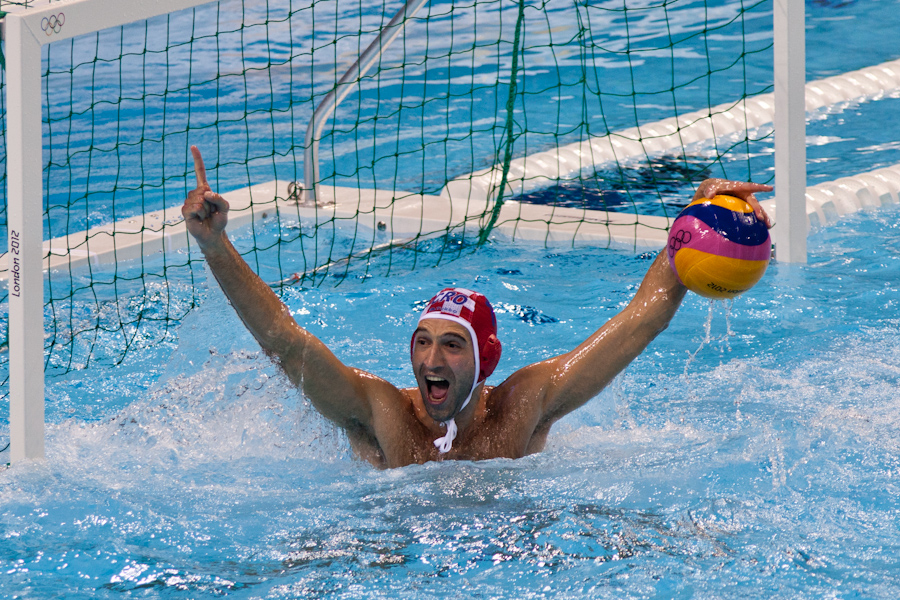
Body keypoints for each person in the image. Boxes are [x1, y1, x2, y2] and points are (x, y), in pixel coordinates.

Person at [183, 146, 772, 468]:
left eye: (450, 343)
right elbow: (286, 342)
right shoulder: (384, 414)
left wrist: (695, 227)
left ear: (484, 360)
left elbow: (640, 321)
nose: (430, 358)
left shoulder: (523, 406)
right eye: (422, 340)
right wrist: (215, 246)